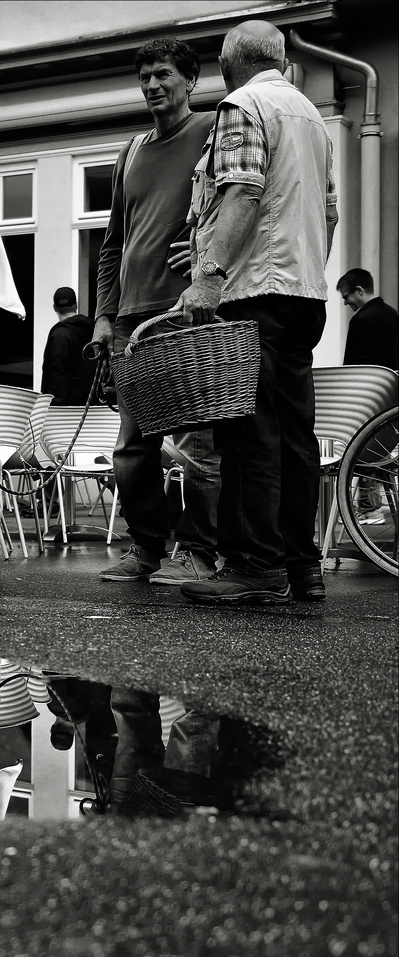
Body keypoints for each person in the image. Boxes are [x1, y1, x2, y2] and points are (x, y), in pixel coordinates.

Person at [177, 20, 339, 606]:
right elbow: (328, 210)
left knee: (249, 436)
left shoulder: (242, 104)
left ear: (228, 63)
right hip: (305, 293)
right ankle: (303, 566)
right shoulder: (310, 115)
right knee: (296, 436)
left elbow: (243, 192)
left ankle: (255, 565)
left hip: (254, 293)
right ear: (280, 60)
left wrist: (209, 273)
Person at [90, 38, 223, 587]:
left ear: (190, 80)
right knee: (131, 449)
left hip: (186, 311)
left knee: (202, 445)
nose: (152, 86)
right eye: (145, 77)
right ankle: (146, 547)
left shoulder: (213, 130)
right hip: (130, 320)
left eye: (163, 74)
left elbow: (239, 201)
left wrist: (206, 249)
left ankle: (200, 552)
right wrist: (102, 314)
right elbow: (112, 243)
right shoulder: (132, 150)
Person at [40, 287, 95, 407]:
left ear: (55, 307)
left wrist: (53, 405)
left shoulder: (59, 334)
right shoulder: (95, 330)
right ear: (76, 305)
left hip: (67, 410)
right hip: (94, 405)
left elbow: (56, 372)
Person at [337, 268, 399, 370]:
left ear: (359, 291)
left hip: (371, 384)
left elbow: (357, 365)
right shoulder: (393, 313)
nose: (345, 303)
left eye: (345, 297)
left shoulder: (361, 320)